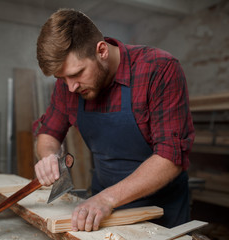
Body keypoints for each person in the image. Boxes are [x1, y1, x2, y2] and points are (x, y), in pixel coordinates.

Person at [33, 9, 195, 232]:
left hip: (160, 212)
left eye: (77, 73)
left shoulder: (159, 69)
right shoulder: (68, 84)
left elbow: (171, 157)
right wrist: (48, 156)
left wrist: (107, 199)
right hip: (101, 211)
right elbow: (49, 132)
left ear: (101, 51)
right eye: (62, 78)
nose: (70, 87)